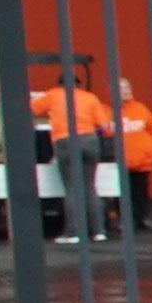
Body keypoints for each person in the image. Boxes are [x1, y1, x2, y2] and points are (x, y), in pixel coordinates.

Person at [33, 63, 115, 242]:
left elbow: (31, 109)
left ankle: (73, 232)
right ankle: (98, 231)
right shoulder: (91, 97)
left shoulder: (54, 94)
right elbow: (105, 127)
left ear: (60, 84)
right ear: (79, 85)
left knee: (72, 187)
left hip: (66, 141)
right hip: (90, 141)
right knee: (90, 186)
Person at [111, 77, 152, 233]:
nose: (126, 91)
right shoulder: (108, 111)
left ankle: (142, 218)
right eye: (122, 88)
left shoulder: (141, 109)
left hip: (142, 160)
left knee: (140, 191)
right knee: (121, 192)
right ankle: (125, 220)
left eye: (127, 87)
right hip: (122, 161)